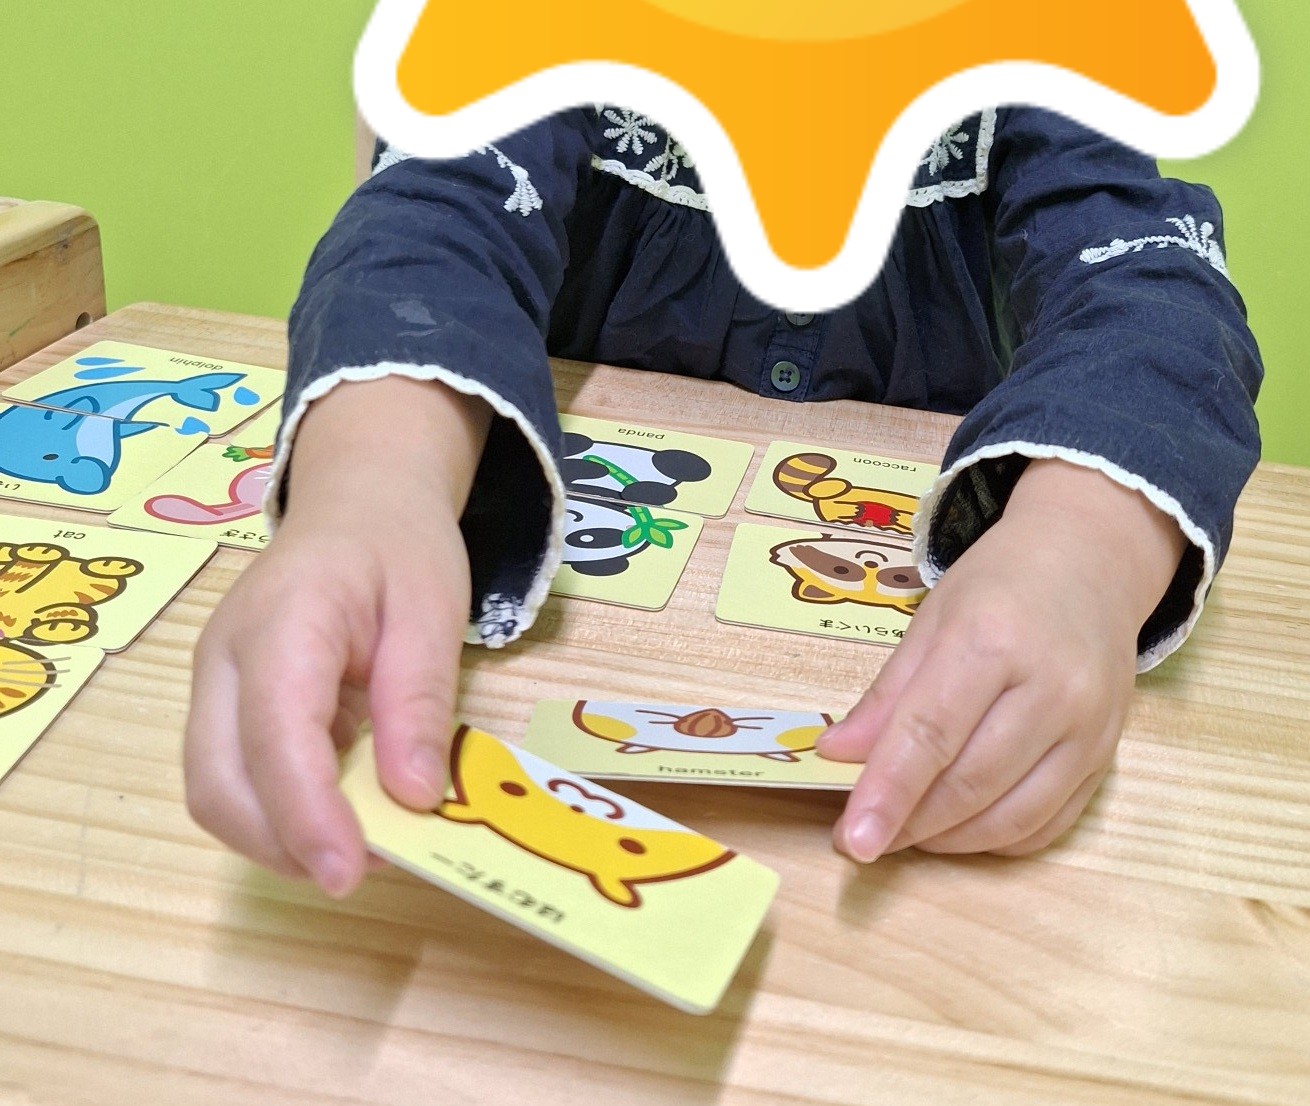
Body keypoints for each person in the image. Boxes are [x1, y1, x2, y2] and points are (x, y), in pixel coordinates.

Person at [183, 105, 1260, 898]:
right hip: (569, 661)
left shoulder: (1026, 38)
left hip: (911, 674)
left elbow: (1150, 292)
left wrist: (1080, 553)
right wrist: (371, 487)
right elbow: (434, 221)